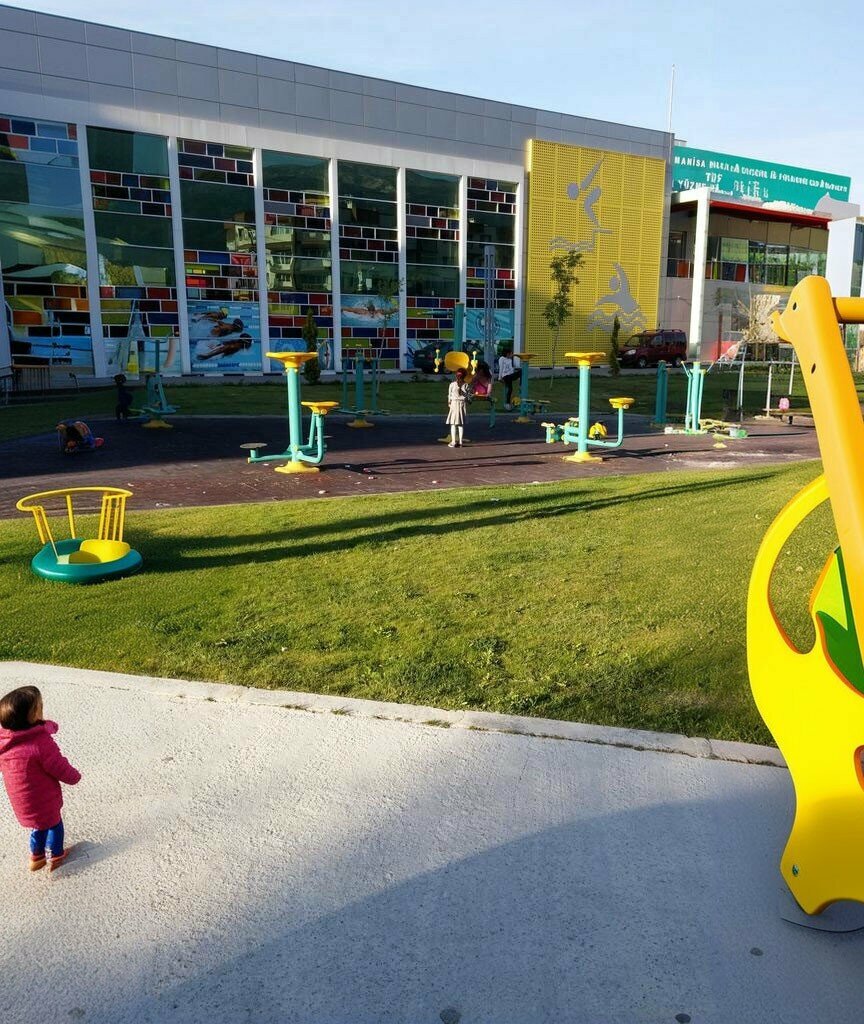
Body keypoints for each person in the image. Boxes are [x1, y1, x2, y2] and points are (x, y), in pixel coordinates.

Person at [0, 685, 81, 872]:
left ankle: (36, 857)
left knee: (38, 826)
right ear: (34, 715)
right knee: (54, 824)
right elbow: (58, 766)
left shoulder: (4, 744)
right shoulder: (40, 743)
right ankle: (57, 855)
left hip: (22, 802)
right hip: (44, 800)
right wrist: (74, 777)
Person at [446, 367, 470, 447]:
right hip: (462, 405)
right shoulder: (466, 385)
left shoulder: (452, 384)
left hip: (454, 404)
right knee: (460, 424)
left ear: (456, 375)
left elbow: (449, 396)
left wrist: (449, 403)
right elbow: (468, 397)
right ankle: (460, 442)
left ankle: (453, 442)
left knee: (453, 424)